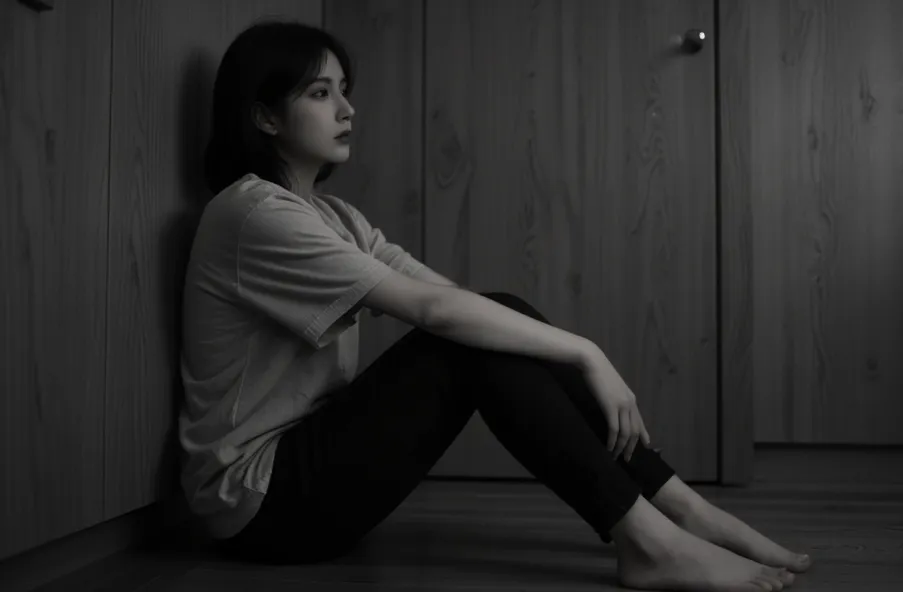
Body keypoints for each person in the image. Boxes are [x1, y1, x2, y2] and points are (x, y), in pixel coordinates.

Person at [178, 19, 812, 592]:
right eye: (320, 94)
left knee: (493, 319)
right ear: (264, 116)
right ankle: (652, 539)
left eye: (345, 88)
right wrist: (587, 351)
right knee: (465, 341)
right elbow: (438, 316)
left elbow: (459, 302)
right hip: (259, 506)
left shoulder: (334, 217)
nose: (347, 108)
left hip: (310, 484)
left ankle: (681, 511)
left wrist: (553, 346)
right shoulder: (253, 213)